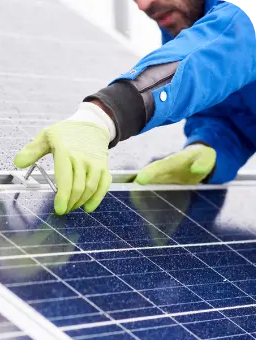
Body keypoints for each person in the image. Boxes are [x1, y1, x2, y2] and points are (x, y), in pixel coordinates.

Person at [14, 0, 256, 215]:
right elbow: (234, 111)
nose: (142, 5)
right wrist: (210, 146)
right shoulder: (187, 21)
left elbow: (227, 44)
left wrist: (102, 115)